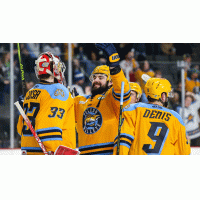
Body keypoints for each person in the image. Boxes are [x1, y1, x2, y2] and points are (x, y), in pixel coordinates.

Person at [73, 43, 131, 155]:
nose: (96, 80)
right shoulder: (80, 100)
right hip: (84, 153)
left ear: (110, 82)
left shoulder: (112, 98)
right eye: (94, 77)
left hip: (107, 152)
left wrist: (114, 65)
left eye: (101, 77)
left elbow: (123, 90)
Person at [17, 52, 76, 155]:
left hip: (28, 151)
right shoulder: (58, 91)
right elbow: (48, 129)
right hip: (46, 152)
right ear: (54, 68)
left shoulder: (31, 92)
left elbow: (19, 129)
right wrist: (57, 152)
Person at [114, 77, 191, 155]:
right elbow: (184, 152)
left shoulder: (133, 109)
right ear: (163, 96)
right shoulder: (176, 118)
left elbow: (123, 141)